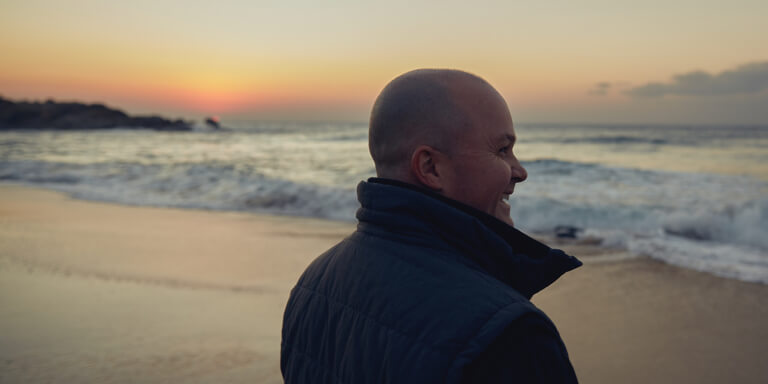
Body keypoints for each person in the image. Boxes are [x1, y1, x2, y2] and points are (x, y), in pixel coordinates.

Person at [281, 69, 581, 383]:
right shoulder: (509, 334)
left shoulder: (313, 284)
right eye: (502, 150)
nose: (519, 171)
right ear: (430, 167)